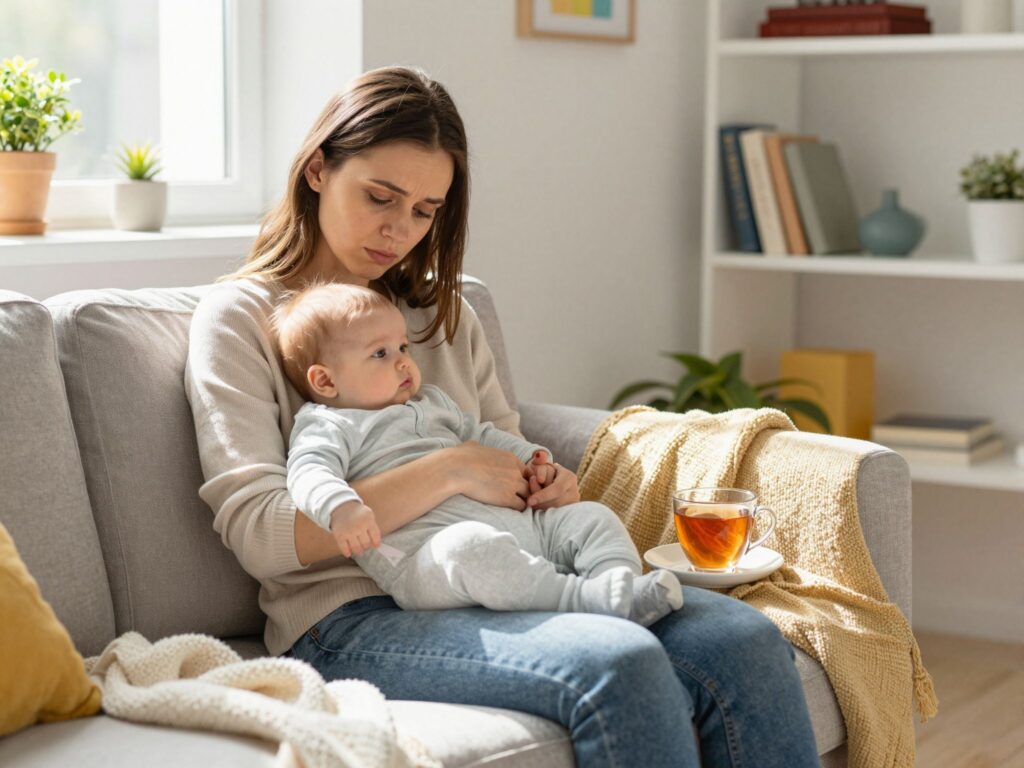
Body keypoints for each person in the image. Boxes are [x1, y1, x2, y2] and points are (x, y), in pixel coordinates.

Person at [185, 65, 820, 767]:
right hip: (351, 617)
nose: (400, 229)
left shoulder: (443, 315)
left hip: (512, 570)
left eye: (426, 210)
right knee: (620, 660)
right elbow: (262, 537)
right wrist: (453, 469)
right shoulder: (240, 319)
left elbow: (506, 460)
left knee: (744, 640)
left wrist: (546, 483)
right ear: (315, 170)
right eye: (380, 197)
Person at [274, 281, 684, 626]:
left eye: (403, 347)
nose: (402, 363)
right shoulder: (328, 424)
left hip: (523, 528)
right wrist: (341, 507)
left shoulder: (433, 402)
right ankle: (584, 599)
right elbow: (307, 472)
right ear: (325, 380)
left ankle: (621, 587)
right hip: (428, 559)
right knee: (470, 548)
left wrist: (534, 458)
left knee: (590, 518)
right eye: (381, 354)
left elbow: (484, 435)